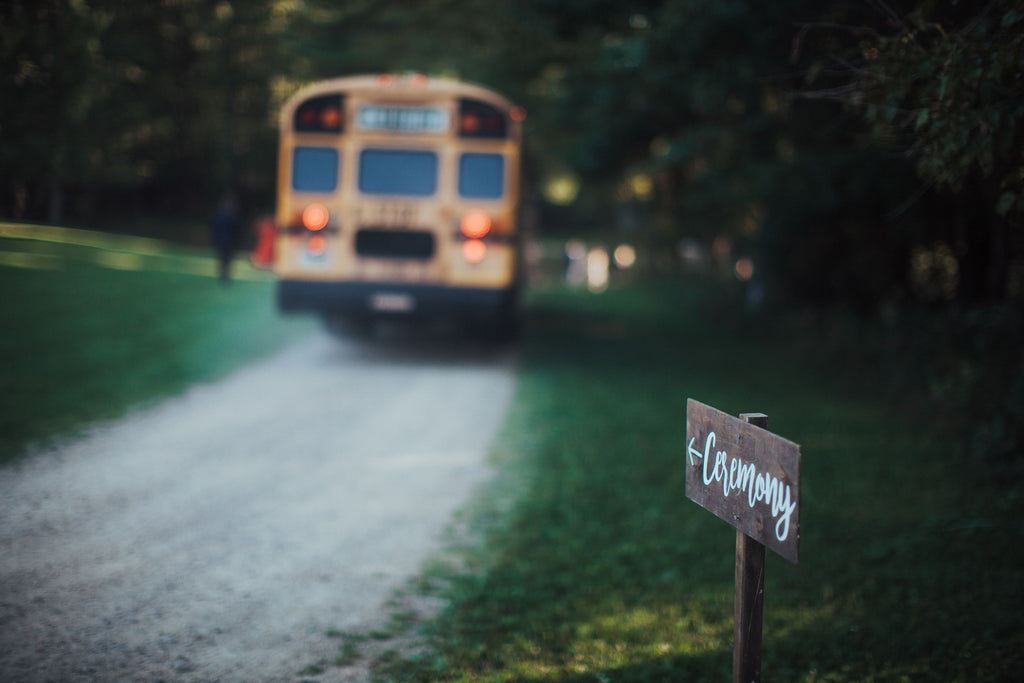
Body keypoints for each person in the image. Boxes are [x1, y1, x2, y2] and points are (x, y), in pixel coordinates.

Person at [210, 193, 241, 283]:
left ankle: (225, 274)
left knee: (227, 259)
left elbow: (237, 230)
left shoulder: (232, 215)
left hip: (228, 241)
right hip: (224, 240)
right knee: (224, 258)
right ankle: (223, 274)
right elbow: (215, 228)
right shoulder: (222, 214)